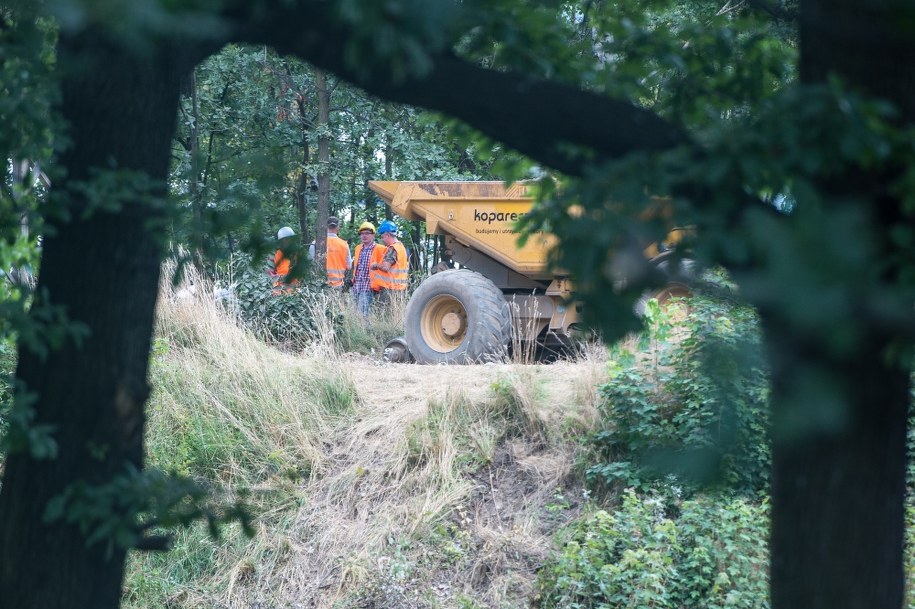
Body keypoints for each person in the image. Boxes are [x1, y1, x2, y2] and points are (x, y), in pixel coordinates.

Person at [348, 221, 386, 318]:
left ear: (373, 235)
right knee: (354, 314)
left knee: (363, 314)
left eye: (367, 233)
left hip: (369, 286)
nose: (364, 236)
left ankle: (365, 328)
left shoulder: (381, 249)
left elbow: (385, 267)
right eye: (362, 233)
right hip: (356, 286)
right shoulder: (358, 248)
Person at [372, 220, 409, 303]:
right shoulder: (401, 247)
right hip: (400, 289)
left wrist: (375, 265)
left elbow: (385, 267)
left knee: (384, 311)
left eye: (382, 237)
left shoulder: (393, 248)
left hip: (390, 290)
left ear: (387, 235)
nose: (382, 240)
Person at [309, 216, 352, 288]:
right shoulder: (344, 245)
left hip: (319, 284)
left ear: (326, 226)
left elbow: (310, 263)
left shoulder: (316, 243)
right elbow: (349, 266)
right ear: (338, 227)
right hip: (338, 285)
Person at [270, 226, 299, 294]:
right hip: (282, 292)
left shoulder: (295, 253)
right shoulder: (279, 255)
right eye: (288, 239)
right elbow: (282, 275)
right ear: (282, 241)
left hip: (295, 290)